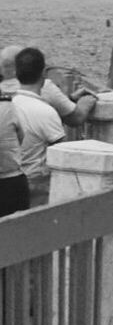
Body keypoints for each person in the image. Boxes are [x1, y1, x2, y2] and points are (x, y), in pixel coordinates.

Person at [6, 49, 66, 208]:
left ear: (16, 73)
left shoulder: (7, 106)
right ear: (44, 73)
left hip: (9, 182)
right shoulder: (46, 112)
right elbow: (63, 154)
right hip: (35, 188)